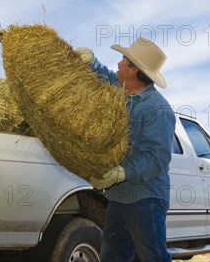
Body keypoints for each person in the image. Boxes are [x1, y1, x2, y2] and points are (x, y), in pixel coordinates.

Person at [75, 38, 175, 262]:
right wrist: (93, 62)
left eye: (123, 60)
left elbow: (157, 159)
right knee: (113, 257)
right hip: (119, 196)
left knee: (154, 257)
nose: (119, 63)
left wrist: (121, 173)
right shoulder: (122, 92)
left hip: (145, 198)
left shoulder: (157, 109)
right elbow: (109, 78)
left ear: (134, 70)